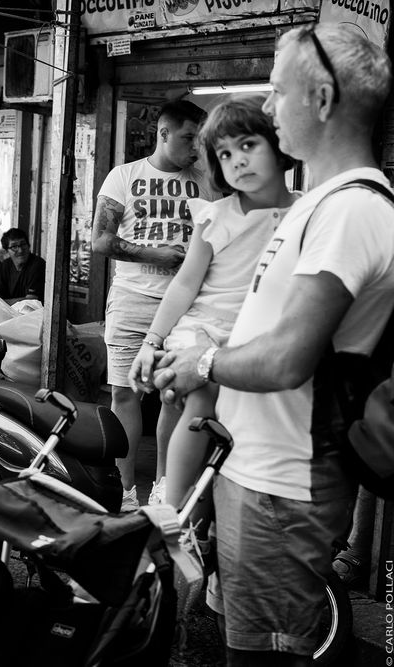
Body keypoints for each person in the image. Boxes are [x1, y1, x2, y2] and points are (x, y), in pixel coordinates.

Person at [153, 24, 394, 666]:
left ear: (320, 100)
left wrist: (202, 359)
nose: (267, 104)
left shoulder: (350, 210)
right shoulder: (320, 205)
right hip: (252, 472)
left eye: (277, 91)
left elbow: (288, 358)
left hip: (283, 489)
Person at [128, 95, 297, 508]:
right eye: (223, 153)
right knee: (199, 393)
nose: (236, 160)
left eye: (247, 145)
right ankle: (172, 503)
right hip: (204, 328)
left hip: (257, 335)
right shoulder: (214, 216)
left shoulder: (304, 210)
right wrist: (151, 340)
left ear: (279, 145)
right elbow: (185, 286)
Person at [91, 99, 214, 511]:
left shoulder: (208, 180)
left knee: (172, 397)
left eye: (200, 138)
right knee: (124, 395)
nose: (195, 147)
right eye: (187, 137)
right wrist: (158, 255)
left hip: (187, 309)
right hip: (131, 301)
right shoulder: (124, 176)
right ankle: (124, 492)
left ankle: (164, 488)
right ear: (163, 134)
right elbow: (101, 241)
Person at [0, 227, 46, 303]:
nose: (20, 250)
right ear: (7, 251)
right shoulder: (5, 266)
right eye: (14, 247)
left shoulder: (38, 265)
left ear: (28, 245)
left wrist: (0, 303)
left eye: (23, 244)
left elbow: (31, 301)